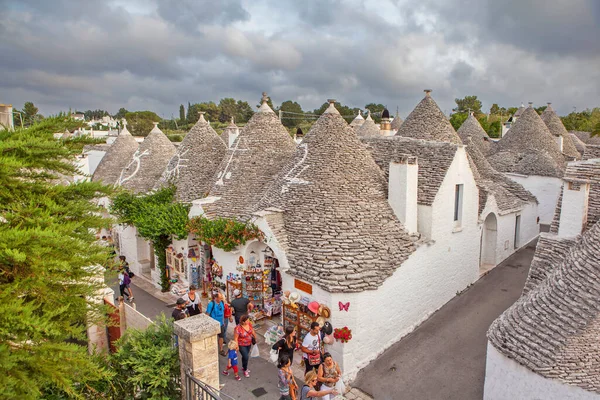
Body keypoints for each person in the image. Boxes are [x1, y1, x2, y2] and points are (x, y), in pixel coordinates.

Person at [206, 292, 226, 356]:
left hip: (221, 324)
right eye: (220, 298)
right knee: (213, 338)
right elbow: (207, 315)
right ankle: (212, 350)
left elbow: (222, 312)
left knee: (221, 337)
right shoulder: (211, 304)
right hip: (213, 324)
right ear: (216, 298)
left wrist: (223, 322)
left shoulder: (222, 302)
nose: (221, 299)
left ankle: (221, 349)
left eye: (221, 298)